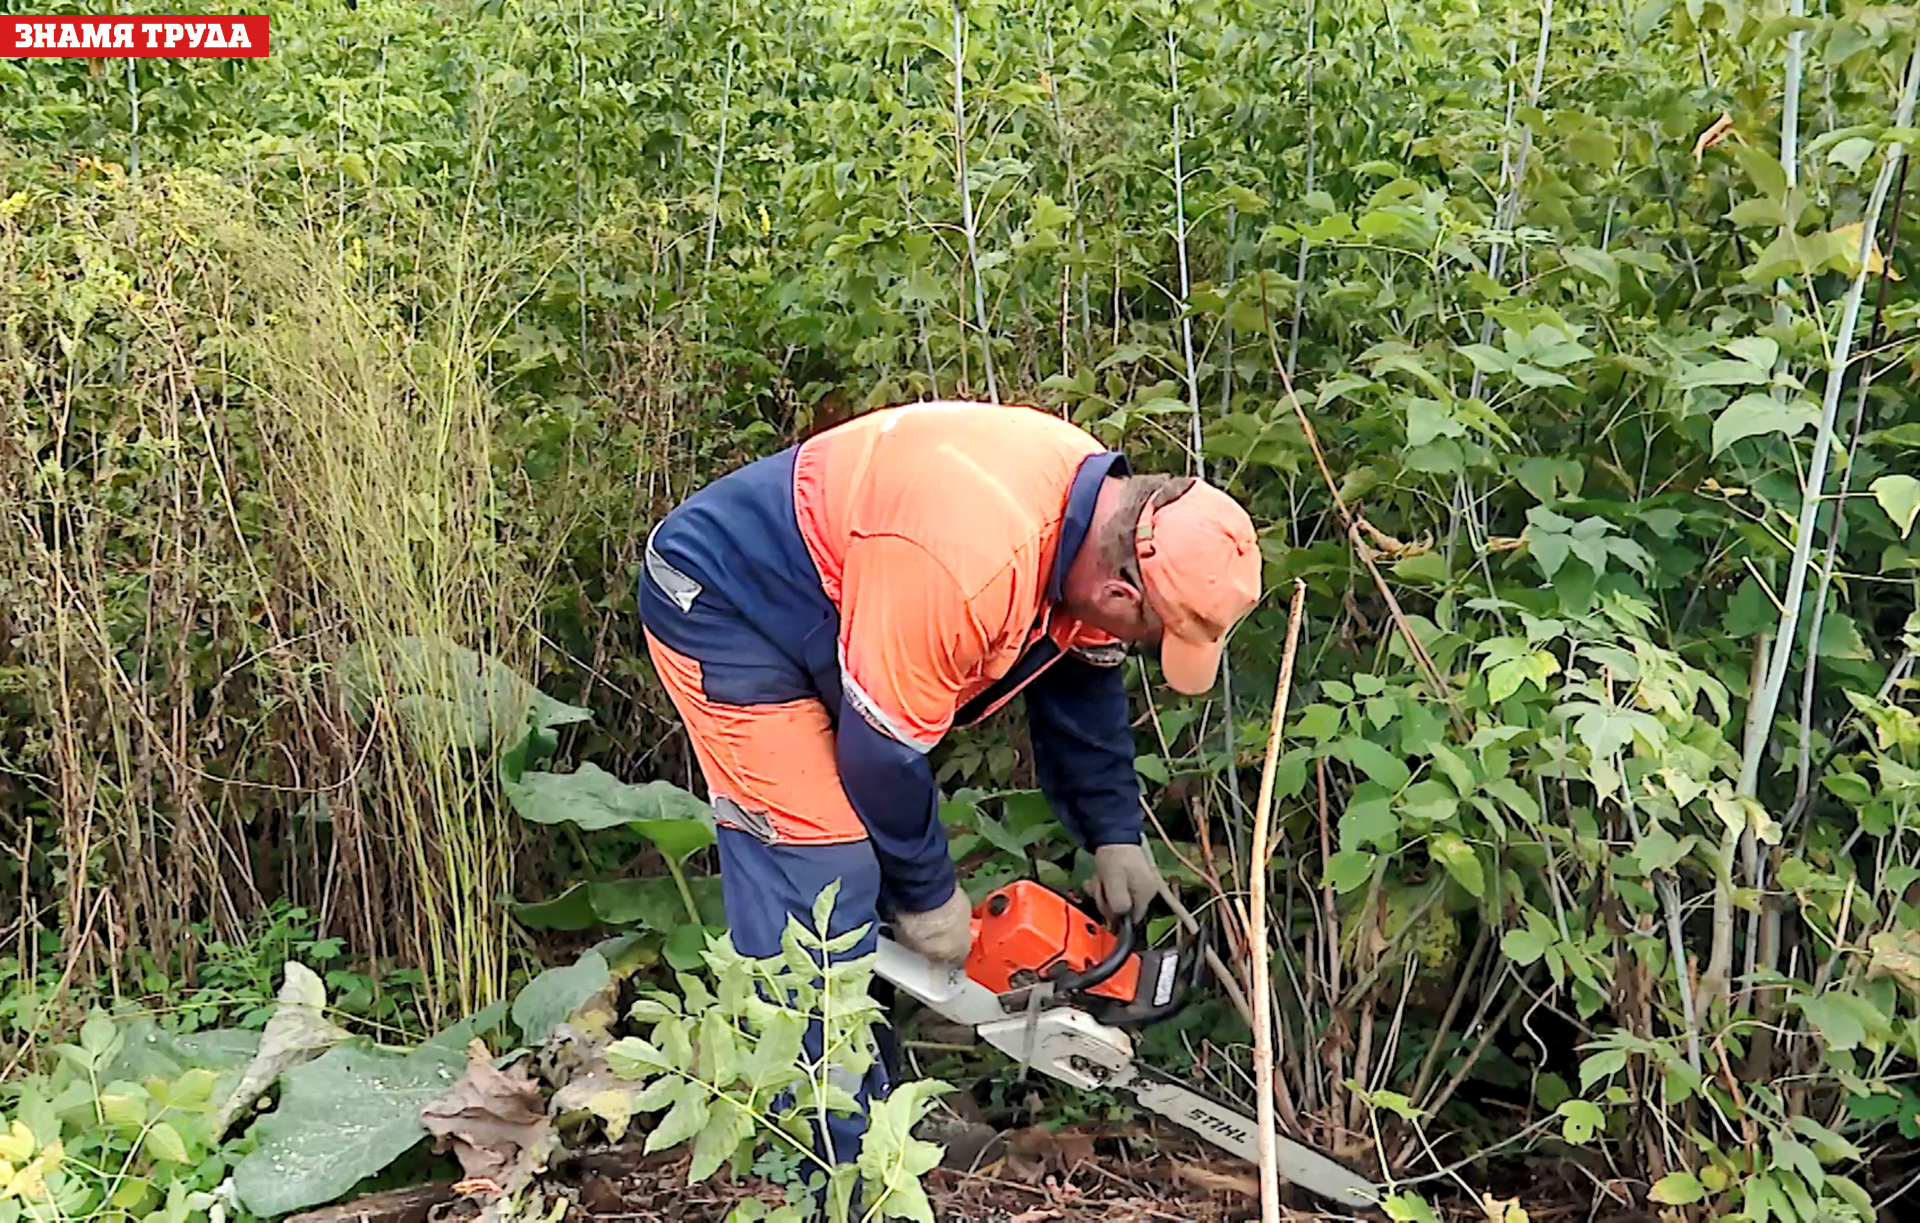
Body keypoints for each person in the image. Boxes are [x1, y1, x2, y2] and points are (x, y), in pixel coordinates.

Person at [635, 399, 1262, 1161]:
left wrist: (1113, 833)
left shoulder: (1104, 518)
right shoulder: (967, 562)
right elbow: (881, 756)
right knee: (823, 873)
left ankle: (881, 1107)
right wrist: (929, 899)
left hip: (853, 609)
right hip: (728, 601)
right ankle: (832, 1157)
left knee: (869, 863)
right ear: (1124, 591)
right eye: (1151, 635)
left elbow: (1082, 679)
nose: (1138, 646)